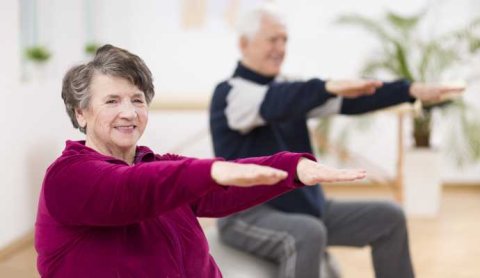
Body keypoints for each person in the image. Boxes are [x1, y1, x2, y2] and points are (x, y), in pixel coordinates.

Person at [34, 44, 366, 277]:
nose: (129, 112)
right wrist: (212, 170)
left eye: (137, 99)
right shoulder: (68, 178)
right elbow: (132, 191)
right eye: (112, 101)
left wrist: (292, 168)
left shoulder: (152, 164)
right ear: (81, 112)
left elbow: (214, 191)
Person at [209, 4, 464, 278]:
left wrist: (409, 91)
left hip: (305, 209)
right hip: (247, 215)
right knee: (307, 233)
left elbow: (351, 99)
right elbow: (274, 103)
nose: (281, 48)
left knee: (389, 217)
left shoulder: (293, 91)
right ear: (244, 43)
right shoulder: (230, 94)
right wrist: (324, 87)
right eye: (273, 39)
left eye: (285, 40)